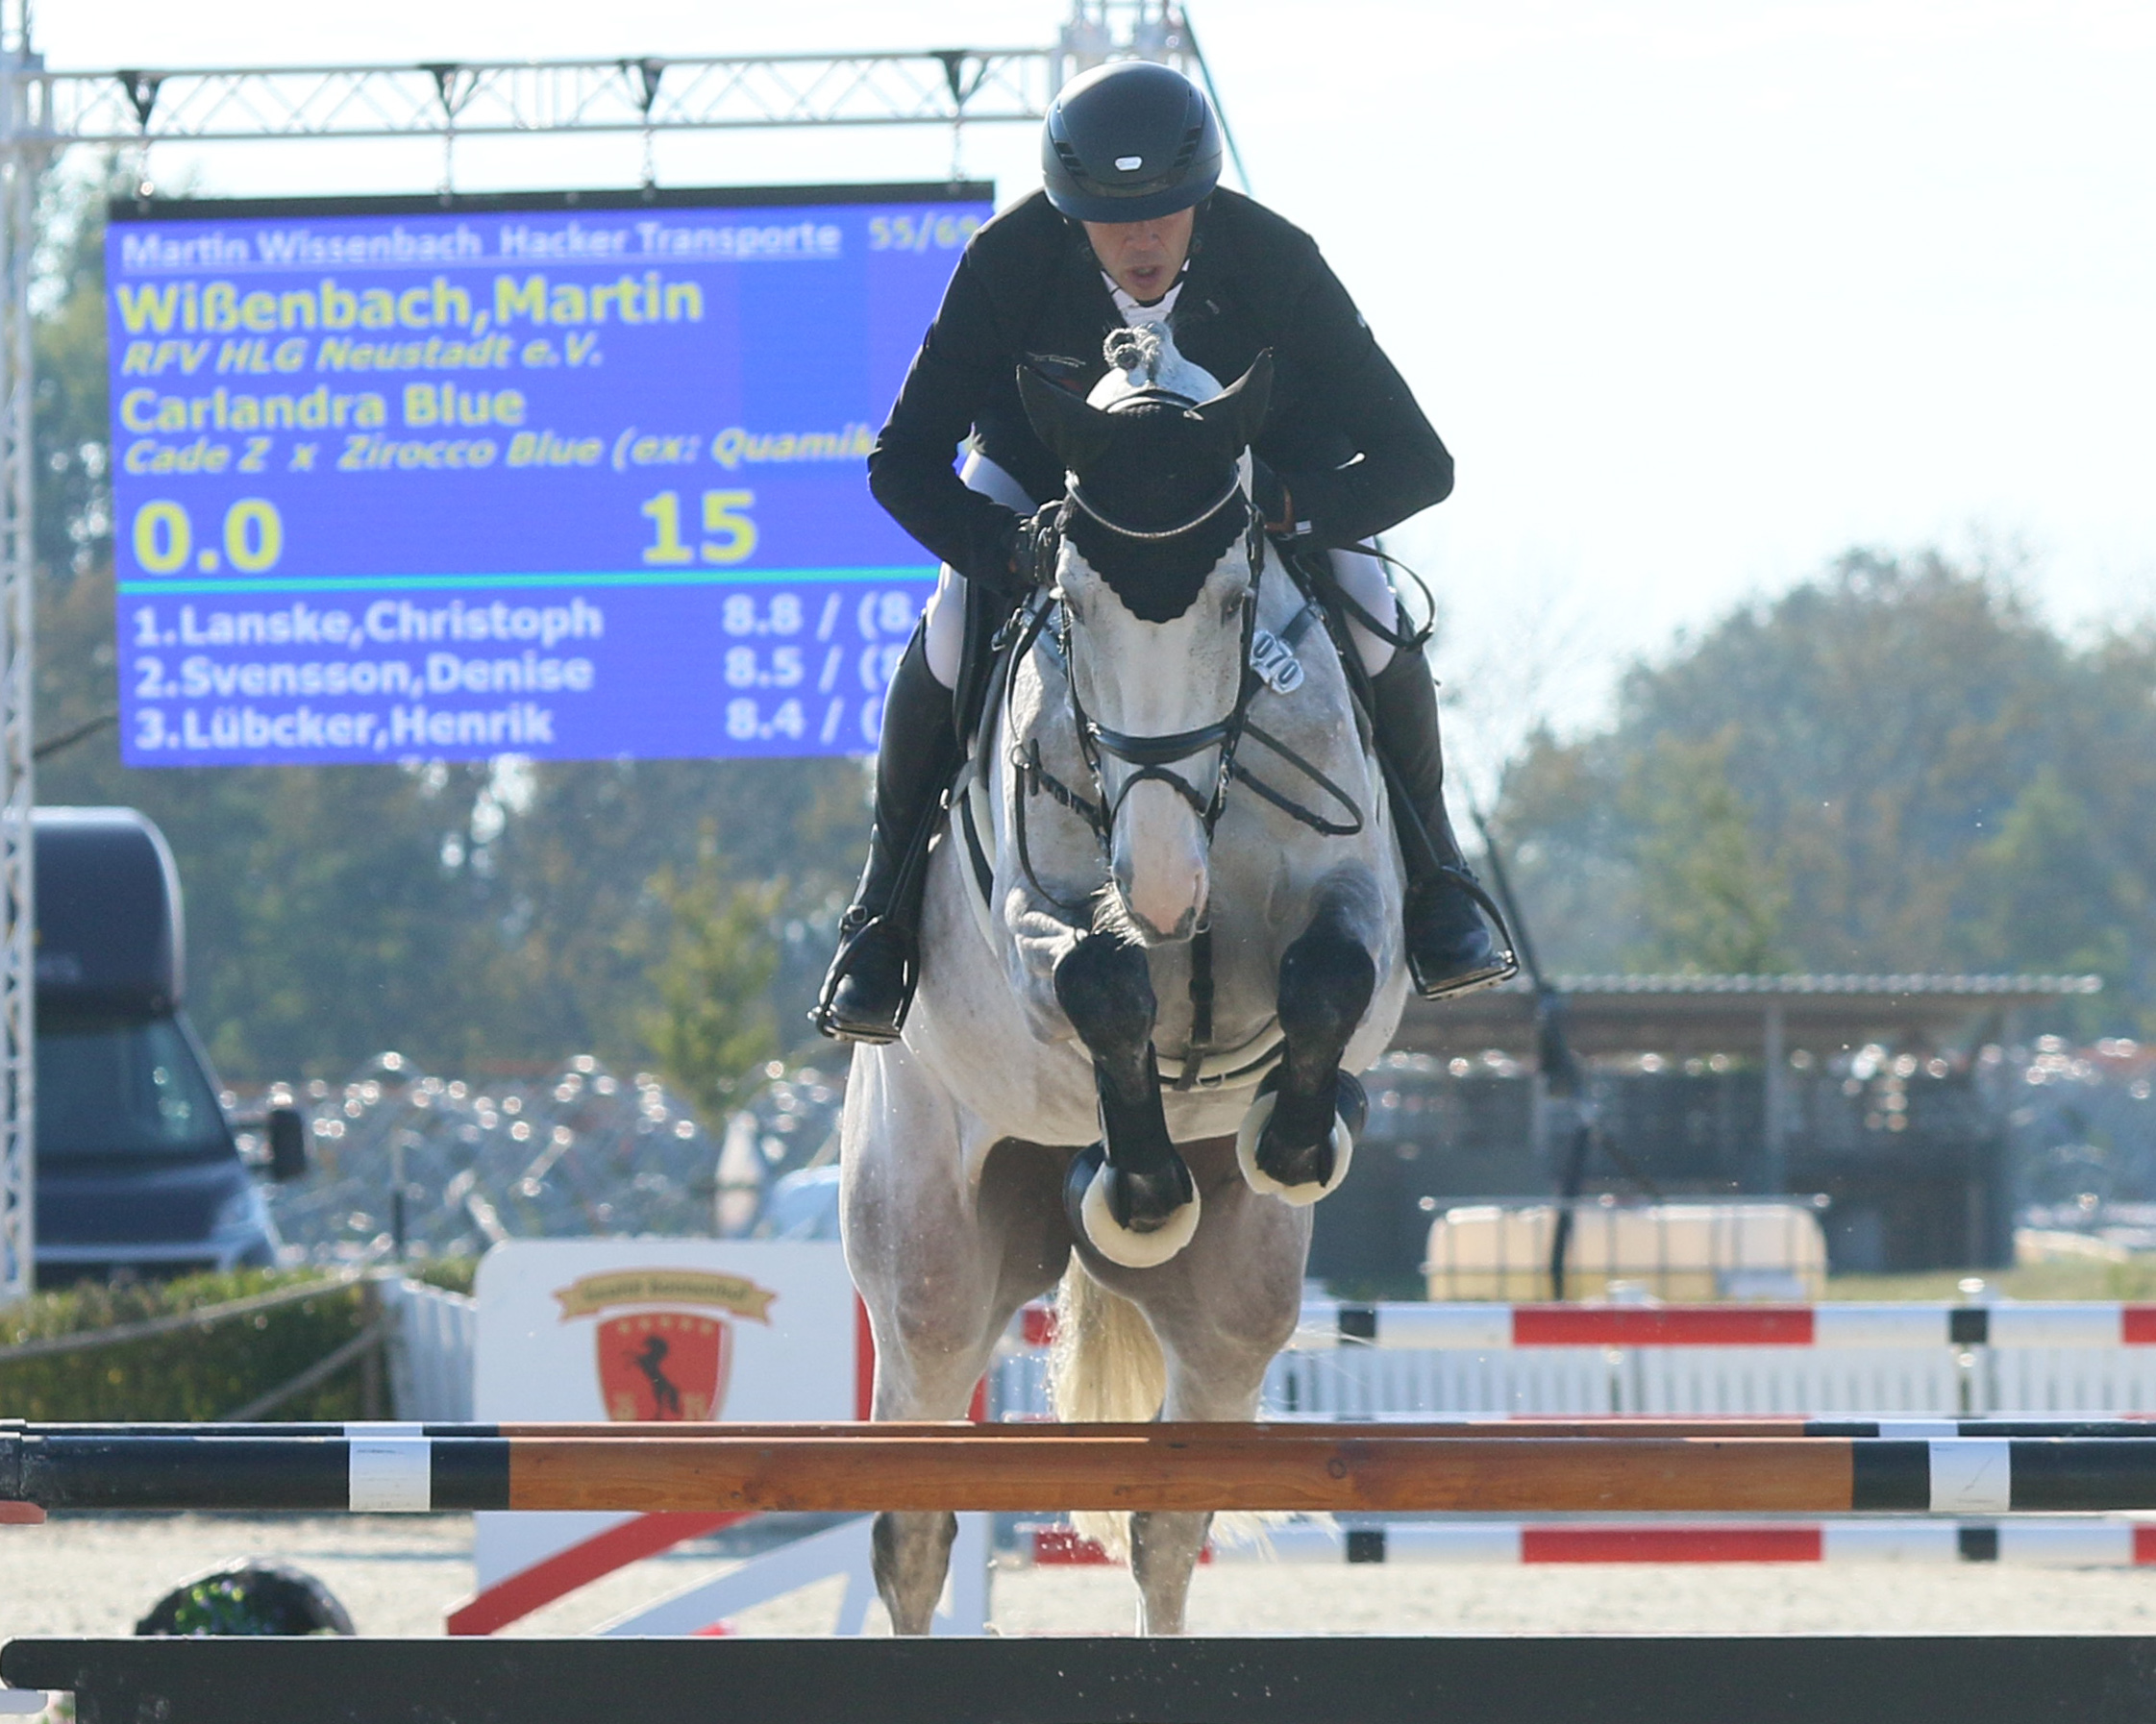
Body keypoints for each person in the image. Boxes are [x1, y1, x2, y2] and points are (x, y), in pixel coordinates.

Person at [814, 59, 1513, 1045]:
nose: (1140, 241)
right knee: (946, 626)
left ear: (1202, 197)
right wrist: (1006, 549)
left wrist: (1289, 508)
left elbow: (1418, 461)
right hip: (1049, 491)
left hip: (1253, 490)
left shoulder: (1273, 259)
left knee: (1371, 610)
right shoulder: (1007, 262)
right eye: (1110, 217)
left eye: (1163, 213)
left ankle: (1440, 879)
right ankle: (879, 919)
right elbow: (900, 462)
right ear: (1068, 208)